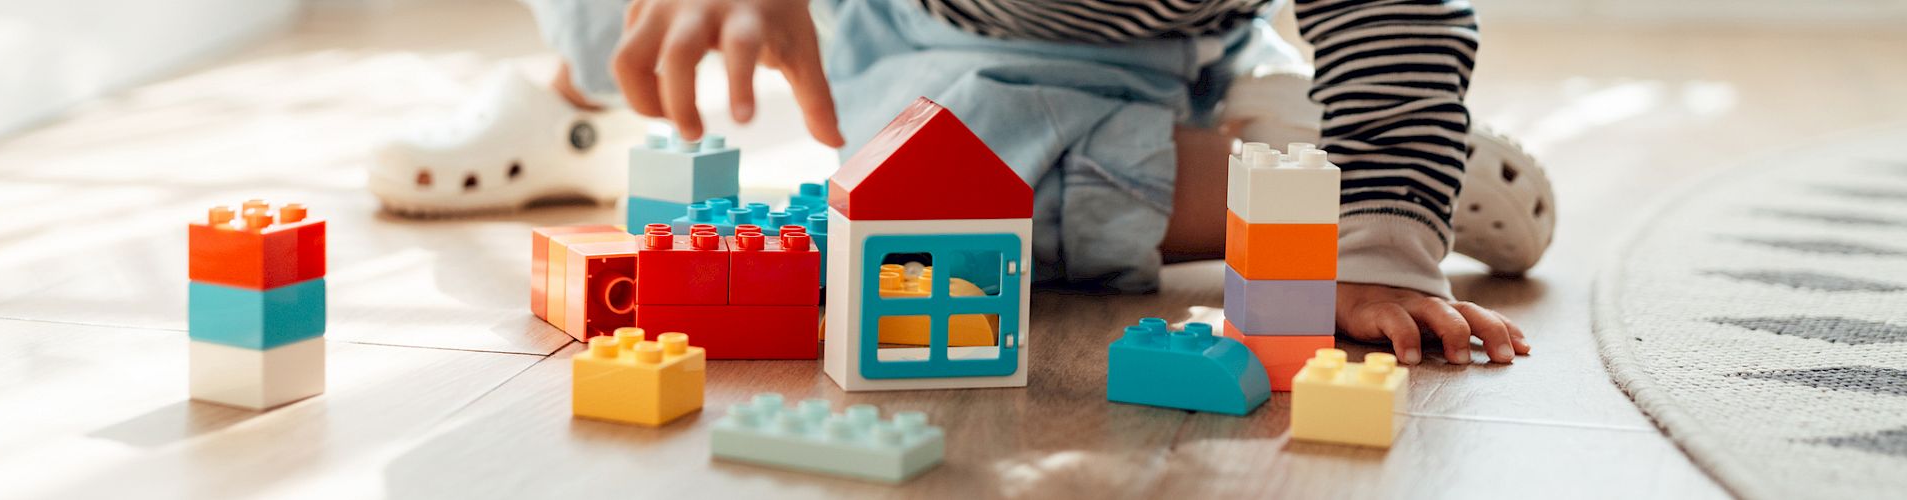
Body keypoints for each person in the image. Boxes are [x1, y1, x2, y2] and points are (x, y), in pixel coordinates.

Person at [372, 0, 1556, 365]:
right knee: (645, 18)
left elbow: (1402, 16)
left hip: (1081, 66)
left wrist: (1372, 244)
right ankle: (566, 107)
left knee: (946, 178)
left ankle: (1338, 168)